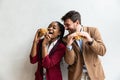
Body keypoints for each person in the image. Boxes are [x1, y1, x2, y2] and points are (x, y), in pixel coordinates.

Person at [61, 10, 106, 80]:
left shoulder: (93, 31)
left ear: (77, 22)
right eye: (65, 25)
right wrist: (69, 45)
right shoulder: (65, 39)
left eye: (68, 25)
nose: (65, 28)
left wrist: (90, 40)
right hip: (76, 75)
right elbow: (70, 61)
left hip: (95, 73)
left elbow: (102, 51)